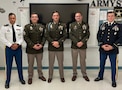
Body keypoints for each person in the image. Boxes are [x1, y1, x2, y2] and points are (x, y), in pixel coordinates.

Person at [94, 11, 122, 87]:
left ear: (114, 17)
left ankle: (113, 80)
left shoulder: (119, 26)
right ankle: (100, 76)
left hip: (113, 49)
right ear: (107, 17)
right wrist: (102, 45)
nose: (110, 17)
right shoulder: (102, 25)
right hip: (103, 49)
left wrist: (112, 46)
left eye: (112, 16)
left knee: (113, 65)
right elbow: (98, 36)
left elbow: (120, 38)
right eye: (109, 16)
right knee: (101, 64)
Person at [0, 13, 25, 89]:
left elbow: (22, 38)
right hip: (9, 49)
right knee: (8, 66)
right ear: (8, 19)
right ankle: (7, 81)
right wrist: (10, 45)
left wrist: (17, 44)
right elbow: (2, 38)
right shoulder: (4, 27)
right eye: (11, 18)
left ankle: (21, 79)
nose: (12, 19)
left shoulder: (20, 27)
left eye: (13, 18)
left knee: (19, 65)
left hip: (18, 48)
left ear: (15, 18)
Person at [24, 12, 46, 84]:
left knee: (39, 64)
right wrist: (32, 45)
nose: (34, 18)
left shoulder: (42, 26)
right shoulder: (27, 27)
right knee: (30, 64)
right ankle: (30, 77)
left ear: (38, 18)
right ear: (30, 18)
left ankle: (40, 75)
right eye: (33, 17)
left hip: (39, 49)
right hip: (30, 49)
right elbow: (25, 37)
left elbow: (44, 37)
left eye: (35, 17)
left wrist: (41, 44)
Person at [45, 11, 67, 83]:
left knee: (60, 63)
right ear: (52, 17)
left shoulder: (63, 25)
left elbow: (65, 35)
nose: (56, 17)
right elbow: (46, 35)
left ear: (59, 16)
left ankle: (62, 76)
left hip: (59, 47)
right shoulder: (48, 25)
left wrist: (58, 42)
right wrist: (53, 42)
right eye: (54, 15)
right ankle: (50, 76)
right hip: (51, 47)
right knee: (51, 63)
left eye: (57, 15)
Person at [69, 12, 90, 82]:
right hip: (74, 46)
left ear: (82, 16)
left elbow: (87, 35)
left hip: (83, 46)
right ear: (75, 18)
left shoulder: (86, 24)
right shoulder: (71, 25)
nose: (78, 17)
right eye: (76, 16)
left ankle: (84, 74)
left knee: (83, 61)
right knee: (74, 61)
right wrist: (77, 42)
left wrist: (82, 42)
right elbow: (70, 35)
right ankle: (74, 74)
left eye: (79, 16)